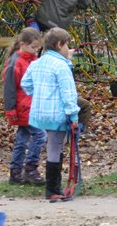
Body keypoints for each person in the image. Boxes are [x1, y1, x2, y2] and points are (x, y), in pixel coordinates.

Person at [21, 27, 90, 202]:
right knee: (55, 147)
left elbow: (26, 84)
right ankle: (53, 188)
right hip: (57, 115)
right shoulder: (61, 66)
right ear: (60, 44)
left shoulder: (37, 63)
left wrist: (40, 96)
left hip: (40, 115)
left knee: (53, 146)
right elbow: (69, 94)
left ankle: (52, 188)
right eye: (67, 44)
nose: (68, 48)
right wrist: (74, 117)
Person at [2, 28, 47, 185]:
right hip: (23, 108)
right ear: (23, 44)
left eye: (37, 48)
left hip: (31, 106)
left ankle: (15, 172)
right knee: (41, 135)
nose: (36, 51)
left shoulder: (32, 60)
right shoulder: (15, 62)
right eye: (33, 47)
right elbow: (9, 88)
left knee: (22, 139)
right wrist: (10, 109)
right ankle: (30, 169)